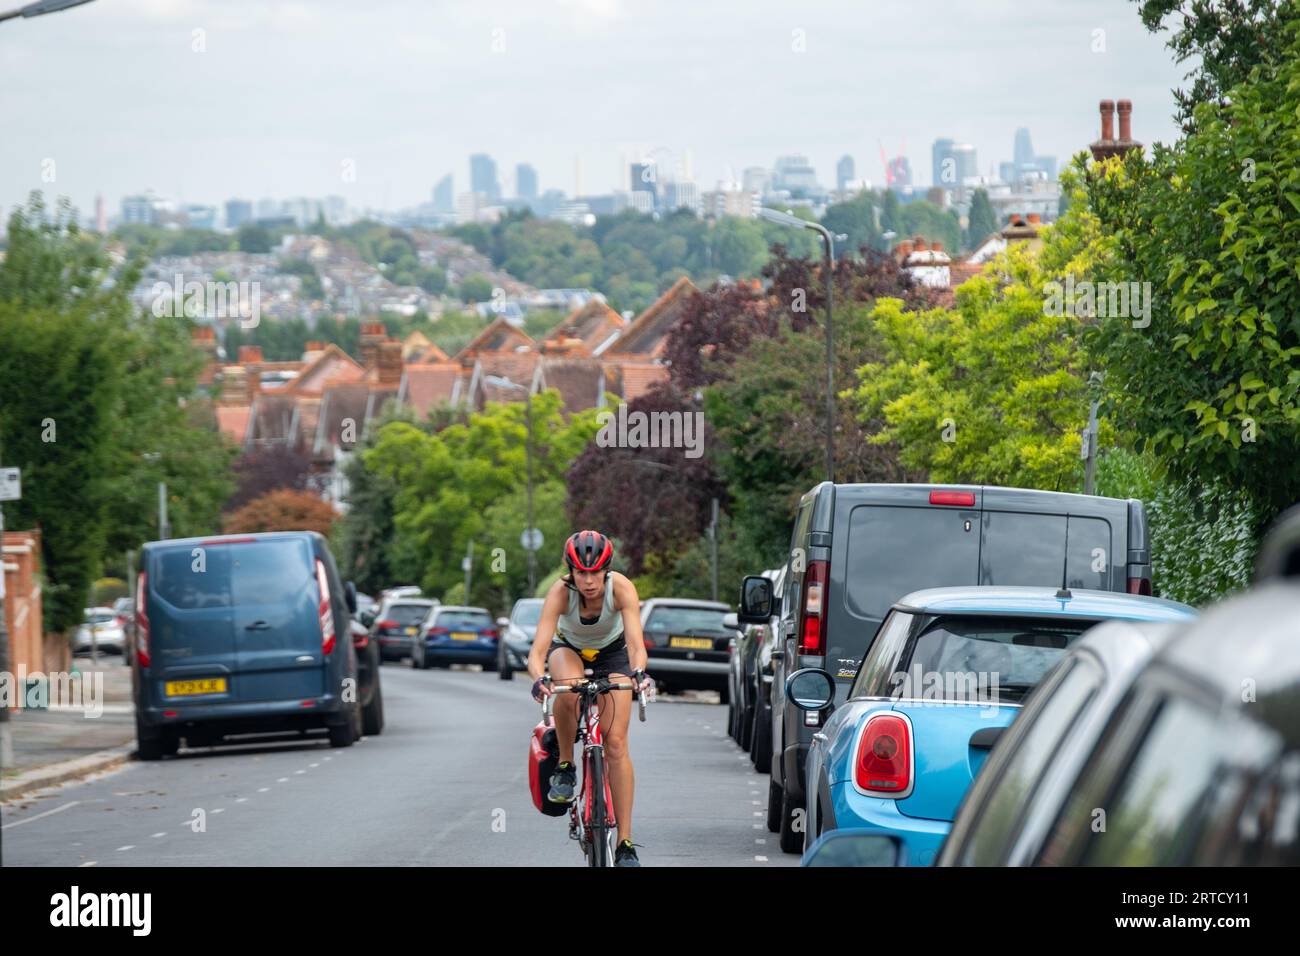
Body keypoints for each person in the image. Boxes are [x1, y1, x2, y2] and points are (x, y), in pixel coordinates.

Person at [527, 529, 653, 867]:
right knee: (568, 686)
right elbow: (537, 651)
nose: (589, 580)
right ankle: (566, 766)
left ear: (606, 570)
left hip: (613, 655)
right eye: (581, 573)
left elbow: (636, 646)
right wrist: (539, 679)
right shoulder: (559, 592)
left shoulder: (621, 588)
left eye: (595, 571)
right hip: (569, 650)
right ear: (571, 572)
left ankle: (625, 843)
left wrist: (638, 674)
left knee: (616, 745)